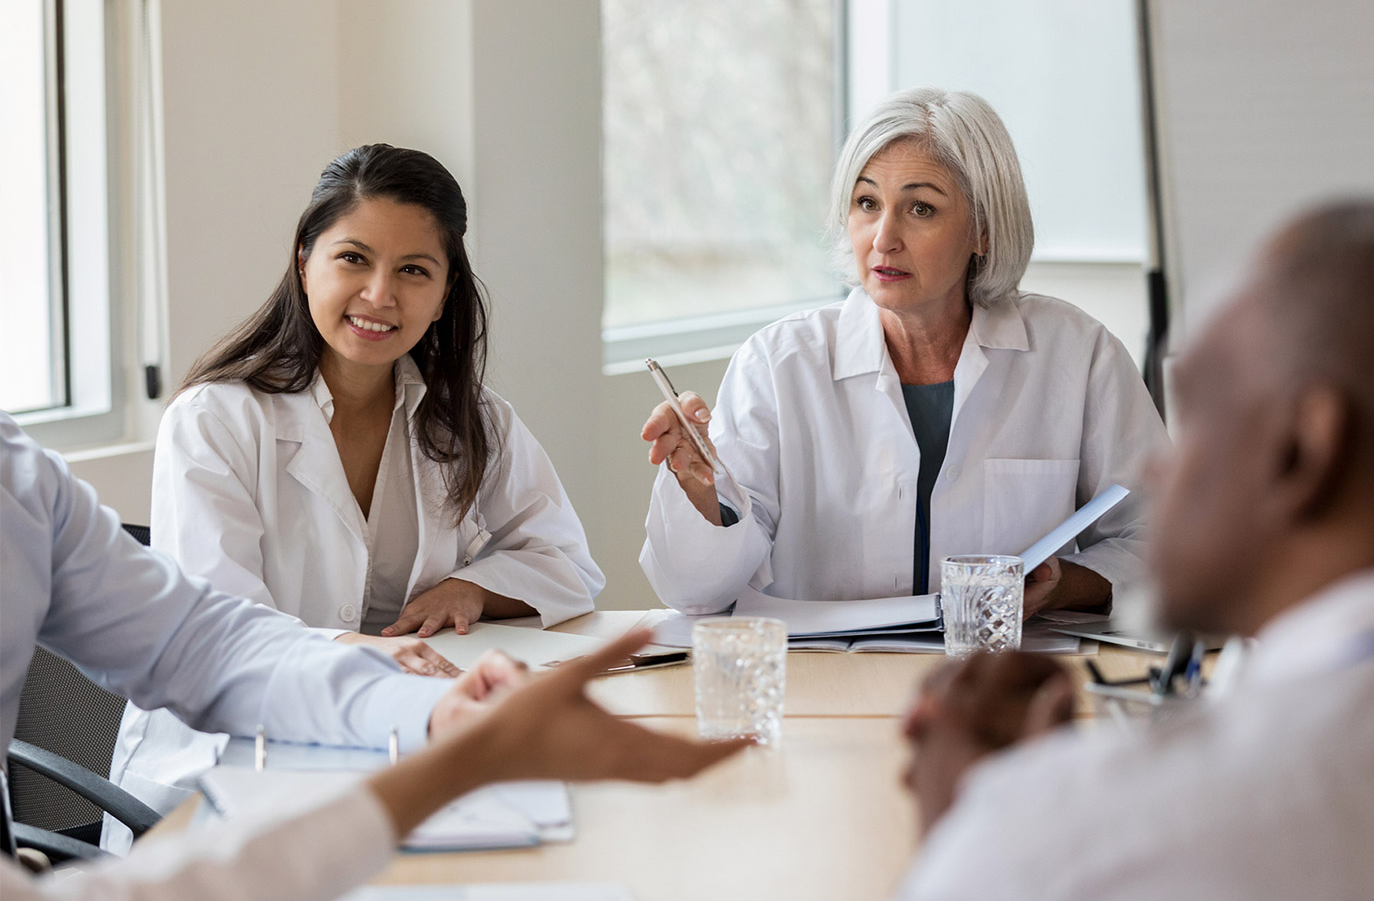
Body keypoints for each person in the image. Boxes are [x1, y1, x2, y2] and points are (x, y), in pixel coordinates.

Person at [0, 414, 743, 899]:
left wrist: (440, 710)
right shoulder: (218, 416)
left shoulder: (19, 478)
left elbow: (199, 640)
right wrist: (448, 768)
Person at [896, 199, 1374, 899]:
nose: (1161, 468)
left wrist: (982, 834)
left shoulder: (1090, 828)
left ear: (1302, 449)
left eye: (1199, 416)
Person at [106, 144, 603, 843]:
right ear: (305, 258)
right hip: (224, 767)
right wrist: (364, 650)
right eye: (353, 259)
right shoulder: (215, 419)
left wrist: (473, 585)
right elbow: (219, 629)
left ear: (445, 291)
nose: (380, 295)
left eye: (412, 270)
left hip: (392, 748)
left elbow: (569, 563)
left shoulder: (473, 420)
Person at [639, 87, 1166, 616]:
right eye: (867, 203)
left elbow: (1165, 540)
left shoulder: (1078, 354)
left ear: (983, 229)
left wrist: (1064, 585)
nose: (883, 237)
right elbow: (696, 594)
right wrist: (697, 487)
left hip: (995, 678)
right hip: (826, 684)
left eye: (920, 208)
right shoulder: (778, 363)